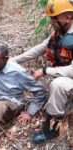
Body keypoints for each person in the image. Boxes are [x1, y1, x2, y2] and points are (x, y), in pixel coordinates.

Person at [12, 0, 73, 146]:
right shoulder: (59, 34)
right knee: (37, 80)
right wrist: (14, 60)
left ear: (68, 17)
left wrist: (45, 71)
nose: (52, 21)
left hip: (67, 78)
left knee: (58, 84)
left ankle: (53, 126)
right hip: (65, 76)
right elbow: (39, 49)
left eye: (55, 17)